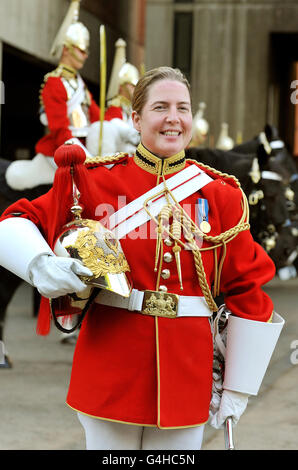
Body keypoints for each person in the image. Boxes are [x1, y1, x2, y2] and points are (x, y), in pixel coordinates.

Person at [0, 66, 284, 450]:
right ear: (136, 118)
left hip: (187, 375)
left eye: (182, 108)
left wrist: (239, 385)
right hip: (110, 365)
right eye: (160, 107)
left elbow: (247, 289)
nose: (173, 118)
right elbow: (17, 219)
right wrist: (40, 265)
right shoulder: (95, 182)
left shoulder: (221, 196)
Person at [4, 0, 99, 192]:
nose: (86, 55)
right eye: (81, 50)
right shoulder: (54, 83)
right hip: (61, 148)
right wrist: (84, 156)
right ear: (66, 49)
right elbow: (59, 129)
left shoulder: (80, 84)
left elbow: (97, 118)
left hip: (83, 144)